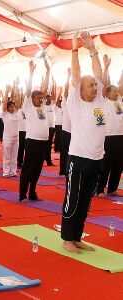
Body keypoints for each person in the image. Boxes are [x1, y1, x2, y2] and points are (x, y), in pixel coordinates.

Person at [61, 31, 108, 253]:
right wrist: (74, 48)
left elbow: (98, 73)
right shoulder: (76, 102)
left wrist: (92, 49)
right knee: (73, 199)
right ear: (80, 89)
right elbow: (78, 74)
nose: (95, 88)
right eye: (90, 86)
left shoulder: (99, 101)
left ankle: (77, 236)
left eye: (95, 86)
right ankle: (67, 238)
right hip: (78, 158)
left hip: (96, 159)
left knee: (86, 202)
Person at [19, 59, 50, 202]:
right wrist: (31, 72)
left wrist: (48, 71)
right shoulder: (28, 106)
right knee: (28, 169)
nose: (41, 99)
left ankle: (33, 193)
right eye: (38, 98)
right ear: (32, 99)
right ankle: (22, 194)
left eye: (42, 98)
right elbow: (28, 89)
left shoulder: (43, 106)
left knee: (37, 169)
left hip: (44, 142)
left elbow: (45, 88)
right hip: (32, 141)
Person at [96, 55, 122, 197]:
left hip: (121, 137)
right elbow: (105, 83)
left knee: (118, 165)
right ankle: (100, 189)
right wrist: (106, 68)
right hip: (109, 137)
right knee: (106, 165)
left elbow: (122, 83)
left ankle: (112, 188)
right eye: (114, 91)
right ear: (107, 93)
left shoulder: (119, 101)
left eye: (117, 92)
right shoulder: (104, 101)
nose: (117, 93)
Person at [2, 92, 20, 177]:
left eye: (13, 107)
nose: (13, 108)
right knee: (7, 157)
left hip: (16, 139)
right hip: (8, 139)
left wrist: (16, 89)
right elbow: (5, 104)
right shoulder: (5, 114)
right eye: (11, 107)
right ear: (7, 108)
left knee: (14, 156)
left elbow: (17, 101)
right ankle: (6, 172)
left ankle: (13, 172)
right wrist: (7, 91)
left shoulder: (16, 113)